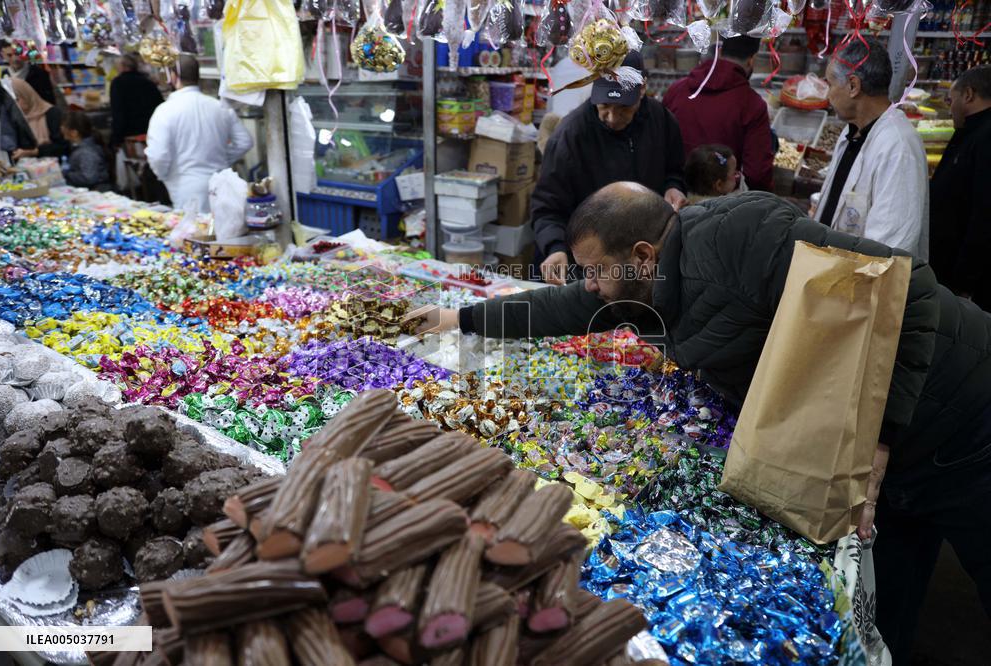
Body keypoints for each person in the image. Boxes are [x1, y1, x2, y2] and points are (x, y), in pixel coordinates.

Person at [409, 183, 991, 663]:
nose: (587, 284)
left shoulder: (741, 238)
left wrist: (881, 441)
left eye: (593, 270)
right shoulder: (642, 282)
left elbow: (908, 289)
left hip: (961, 417)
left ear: (641, 253)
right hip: (885, 448)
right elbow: (567, 306)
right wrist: (457, 315)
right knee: (884, 591)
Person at [531, 51, 687, 285]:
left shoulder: (662, 122)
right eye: (604, 105)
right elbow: (547, 206)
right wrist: (555, 248)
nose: (612, 117)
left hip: (644, 262)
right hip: (589, 268)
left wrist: (673, 186)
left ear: (642, 89)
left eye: (623, 107)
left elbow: (675, 171)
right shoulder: (571, 136)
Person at [814, 37, 929, 259]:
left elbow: (890, 246)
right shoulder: (853, 132)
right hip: (831, 270)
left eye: (830, 84)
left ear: (853, 86)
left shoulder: (898, 145)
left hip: (861, 283)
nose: (827, 95)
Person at [663, 36, 774, 192]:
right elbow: (757, 173)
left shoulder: (676, 90)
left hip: (674, 195)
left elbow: (660, 147)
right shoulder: (752, 104)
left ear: (720, 52)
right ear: (752, 60)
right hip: (721, 202)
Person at [145, 55, 253, 213]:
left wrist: (165, 175)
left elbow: (158, 155)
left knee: (194, 233)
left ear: (173, 76)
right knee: (224, 232)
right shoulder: (219, 106)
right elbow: (245, 142)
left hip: (186, 187)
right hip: (222, 183)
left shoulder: (164, 111)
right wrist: (222, 159)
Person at [928, 65, 991, 311]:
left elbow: (983, 215)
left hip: (962, 282)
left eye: (951, 99)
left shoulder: (985, 138)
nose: (949, 107)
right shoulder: (970, 131)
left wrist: (964, 281)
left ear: (968, 95)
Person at [110, 55, 165, 148]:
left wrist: (116, 139)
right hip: (151, 133)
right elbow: (160, 107)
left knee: (133, 161)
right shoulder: (148, 82)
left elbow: (118, 112)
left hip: (130, 135)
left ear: (123, 67)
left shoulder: (118, 83)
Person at [8, 78, 66, 160]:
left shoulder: (52, 113)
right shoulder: (16, 119)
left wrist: (35, 152)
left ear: (26, 94)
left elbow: (63, 146)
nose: (16, 105)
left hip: (53, 167)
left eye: (17, 99)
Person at [60, 111, 110, 190]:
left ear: (74, 133)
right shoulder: (82, 148)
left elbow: (88, 178)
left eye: (63, 125)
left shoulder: (86, 152)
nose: (61, 127)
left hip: (95, 191)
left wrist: (66, 173)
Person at [0, 41, 56, 105]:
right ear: (3, 55)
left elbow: (50, 103)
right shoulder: (1, 77)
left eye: (17, 54)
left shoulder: (41, 74)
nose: (15, 59)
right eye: (9, 55)